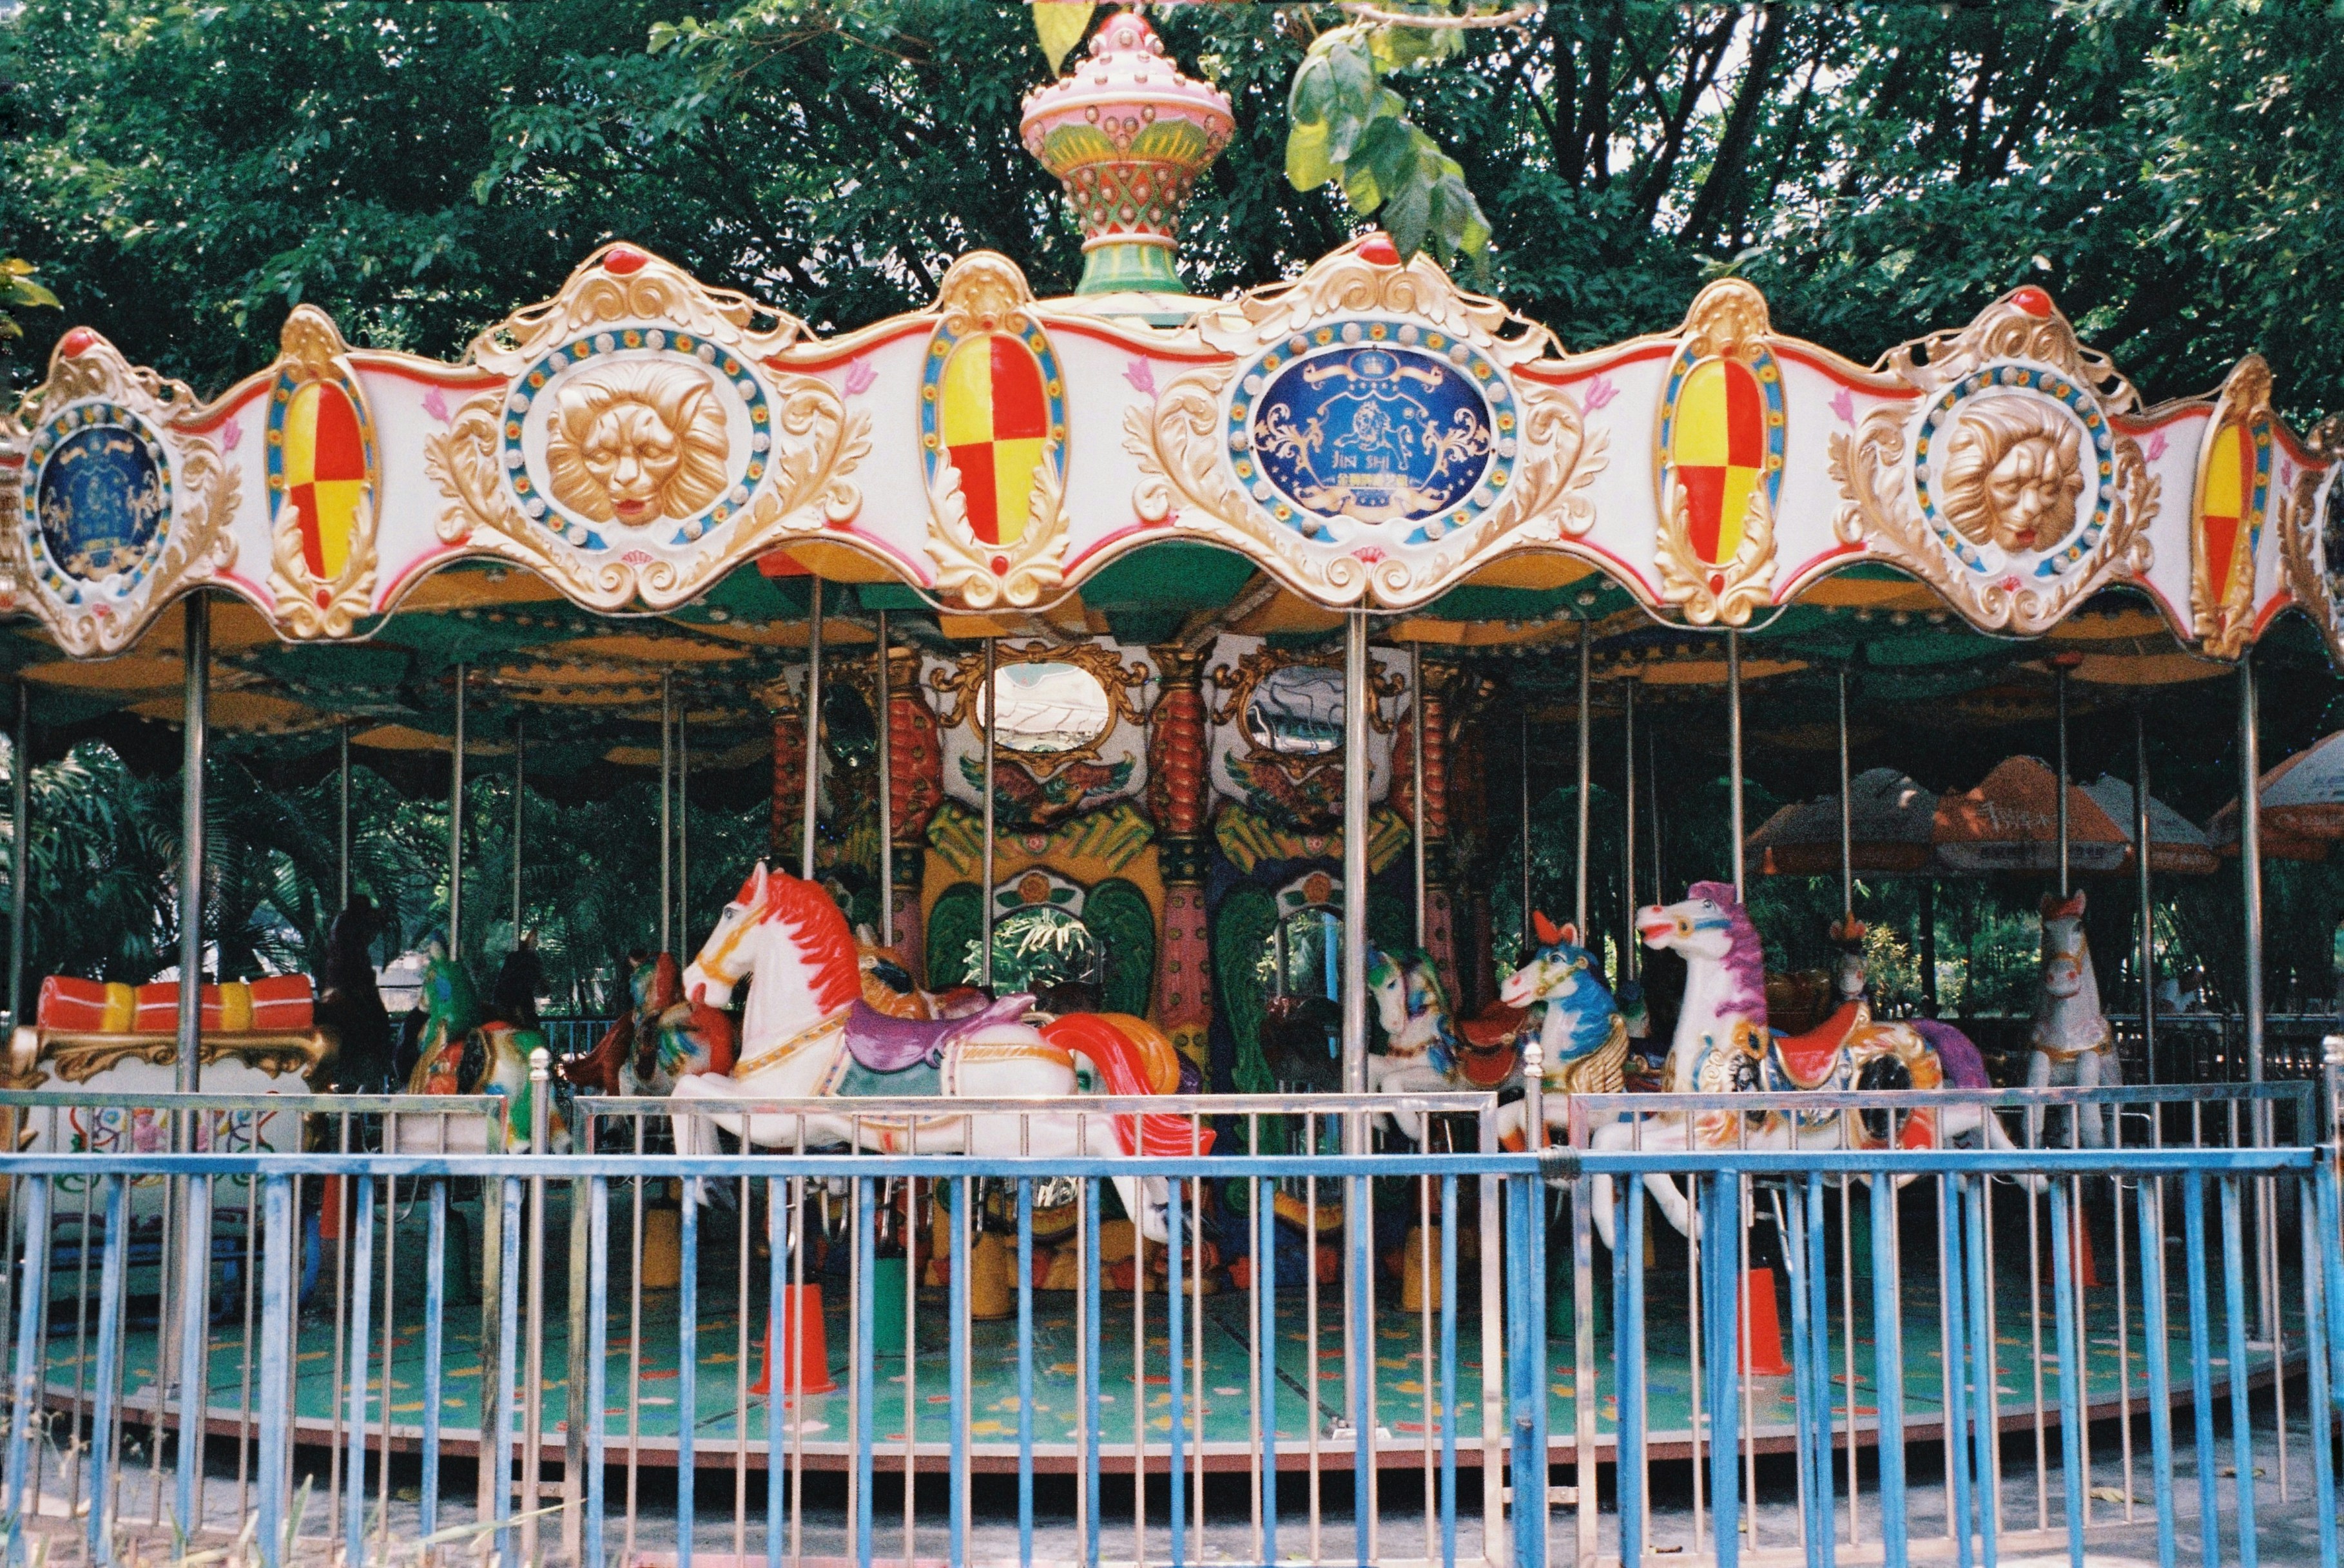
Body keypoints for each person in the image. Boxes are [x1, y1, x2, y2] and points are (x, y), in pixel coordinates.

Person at [316, 896, 393, 1092]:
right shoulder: (350, 950)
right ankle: (360, 1080)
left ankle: (359, 1081)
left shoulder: (347, 944)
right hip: (348, 995)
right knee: (367, 1031)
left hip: (348, 992)